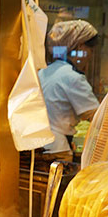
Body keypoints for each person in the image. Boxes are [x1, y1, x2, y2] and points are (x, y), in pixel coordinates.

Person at [38, 20, 100, 160]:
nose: (90, 57)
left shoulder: (44, 72)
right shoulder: (72, 77)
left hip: (39, 146)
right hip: (57, 150)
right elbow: (97, 117)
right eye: (90, 50)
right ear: (80, 47)